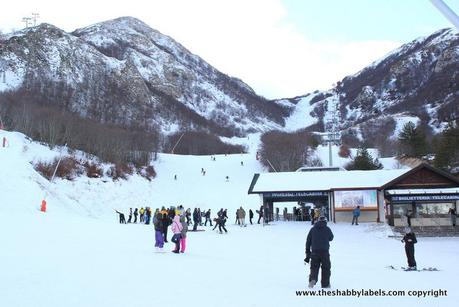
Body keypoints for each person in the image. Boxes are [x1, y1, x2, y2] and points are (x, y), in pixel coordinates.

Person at [305, 216, 334, 288]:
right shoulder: (327, 229)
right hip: (325, 252)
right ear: (325, 222)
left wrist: (307, 254)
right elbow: (331, 238)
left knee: (314, 267)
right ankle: (325, 284)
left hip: (314, 252)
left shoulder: (312, 229)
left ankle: (312, 279)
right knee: (326, 268)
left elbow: (308, 242)